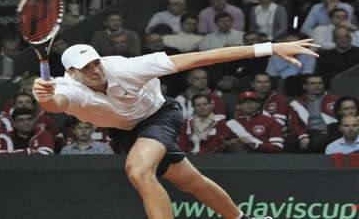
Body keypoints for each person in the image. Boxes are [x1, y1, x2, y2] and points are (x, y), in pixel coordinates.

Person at [33, 39, 318, 219]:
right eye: (87, 67)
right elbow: (57, 104)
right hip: (126, 131)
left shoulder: (128, 68)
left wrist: (269, 48)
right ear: (72, 73)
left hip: (159, 116)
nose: (96, 70)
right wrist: (45, 97)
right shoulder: (67, 87)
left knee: (138, 171)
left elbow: (200, 58)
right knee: (190, 181)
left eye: (96, 63)